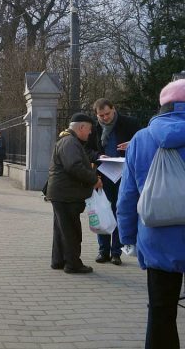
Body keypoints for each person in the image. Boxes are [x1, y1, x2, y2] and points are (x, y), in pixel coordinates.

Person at [117, 79, 185, 349]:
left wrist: (128, 236)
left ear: (163, 106)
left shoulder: (141, 139)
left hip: (157, 236)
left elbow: (128, 195)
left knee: (160, 312)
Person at [86, 98, 140, 266]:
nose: (105, 118)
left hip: (124, 174)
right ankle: (103, 251)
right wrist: (98, 156)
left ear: (114, 109)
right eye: (101, 115)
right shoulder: (94, 128)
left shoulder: (129, 123)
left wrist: (131, 146)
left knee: (119, 211)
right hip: (102, 174)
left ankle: (116, 252)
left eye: (107, 114)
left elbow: (142, 143)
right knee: (102, 210)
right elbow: (86, 149)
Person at [47, 113, 102, 274]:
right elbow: (74, 167)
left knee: (62, 229)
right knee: (71, 230)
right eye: (89, 129)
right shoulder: (70, 142)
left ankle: (58, 260)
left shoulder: (68, 141)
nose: (90, 133)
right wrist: (93, 179)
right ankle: (73, 264)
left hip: (62, 193)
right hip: (67, 194)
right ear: (81, 127)